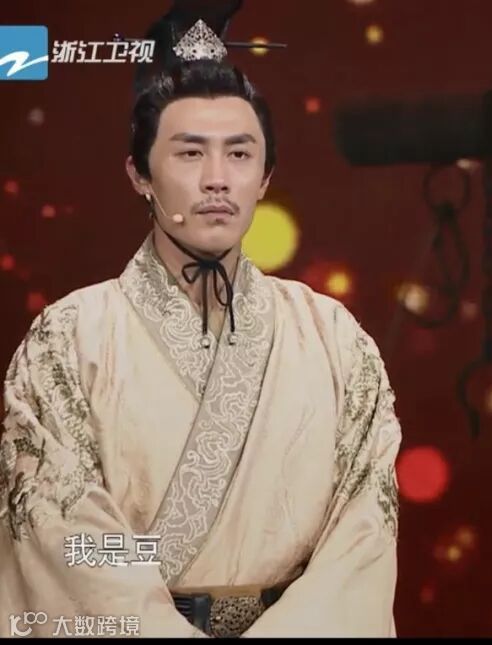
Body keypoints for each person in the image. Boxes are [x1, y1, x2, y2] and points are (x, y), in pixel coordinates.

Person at [0, 18, 400, 638]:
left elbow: (362, 535)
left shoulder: (333, 338)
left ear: (265, 177)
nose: (218, 178)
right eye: (190, 153)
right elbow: (62, 535)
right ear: (139, 174)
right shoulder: (69, 338)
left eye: (239, 154)